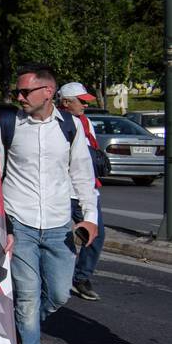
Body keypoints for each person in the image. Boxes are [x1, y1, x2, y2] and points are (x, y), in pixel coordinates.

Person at [0, 63, 98, 344]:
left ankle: (22, 328)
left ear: (48, 92)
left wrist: (90, 217)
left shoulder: (69, 127)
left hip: (59, 224)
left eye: (25, 92)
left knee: (59, 294)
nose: (19, 97)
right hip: (19, 221)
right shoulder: (9, 125)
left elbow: (81, 173)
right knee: (26, 296)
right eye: (17, 92)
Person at [57, 82, 105, 301]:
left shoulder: (86, 123)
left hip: (87, 191)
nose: (85, 105)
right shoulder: (58, 124)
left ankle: (81, 277)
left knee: (96, 236)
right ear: (66, 103)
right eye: (81, 101)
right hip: (64, 193)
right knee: (59, 239)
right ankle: (56, 279)